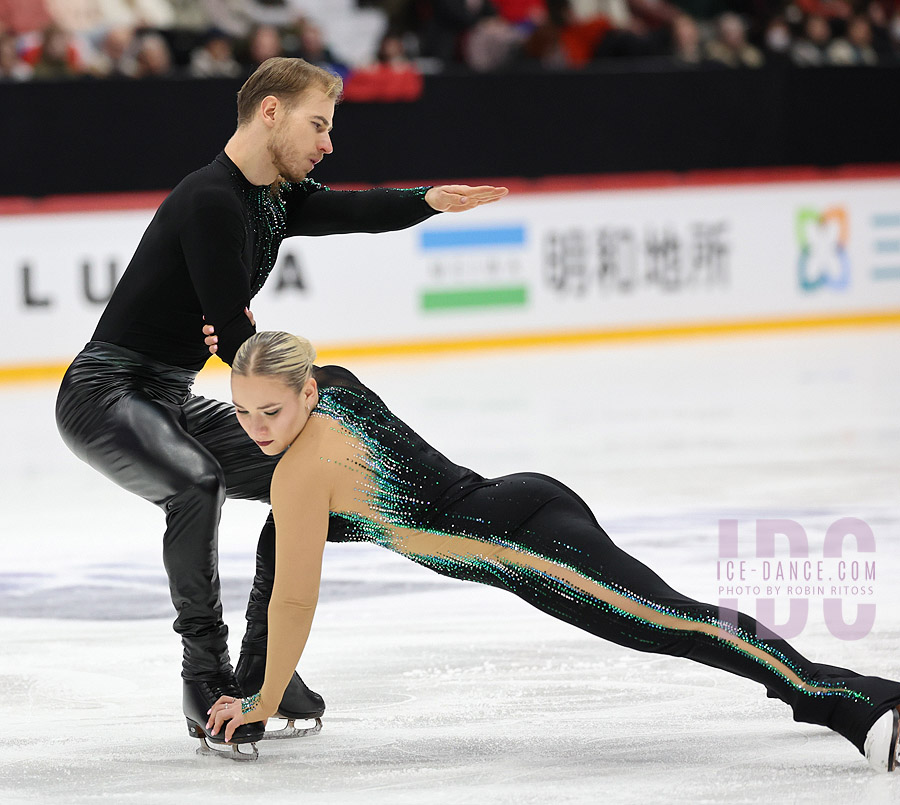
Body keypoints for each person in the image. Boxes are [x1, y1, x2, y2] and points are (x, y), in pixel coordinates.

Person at [54, 56, 508, 756]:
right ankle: (201, 670)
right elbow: (237, 342)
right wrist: (290, 374)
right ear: (271, 112)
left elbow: (352, 208)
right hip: (104, 393)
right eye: (317, 124)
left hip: (168, 397)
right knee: (196, 483)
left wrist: (427, 200)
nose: (327, 143)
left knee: (296, 474)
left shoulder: (272, 197)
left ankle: (263, 668)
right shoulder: (210, 199)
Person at [206, 330, 900, 772]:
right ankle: (862, 696)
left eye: (272, 410)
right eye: (242, 411)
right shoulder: (339, 387)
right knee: (675, 622)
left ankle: (851, 707)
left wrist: (261, 700)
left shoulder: (300, 476)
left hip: (529, 545)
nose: (258, 428)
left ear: (307, 391)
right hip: (527, 502)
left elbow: (297, 595)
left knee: (676, 624)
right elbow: (358, 515)